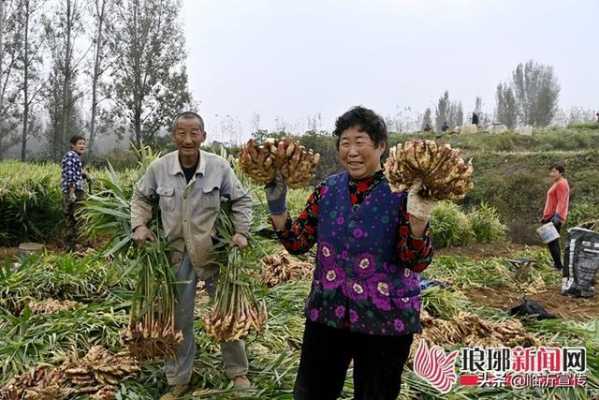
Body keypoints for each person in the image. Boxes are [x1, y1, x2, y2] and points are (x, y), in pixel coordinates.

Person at [265, 106, 434, 400]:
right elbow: (297, 242)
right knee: (311, 393)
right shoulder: (327, 190)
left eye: (360, 141)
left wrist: (418, 221)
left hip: (385, 318)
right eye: (345, 143)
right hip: (328, 313)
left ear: (381, 146)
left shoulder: (404, 194)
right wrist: (277, 207)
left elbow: (415, 261)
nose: (352, 151)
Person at [130, 111, 254, 400]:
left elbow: (241, 199)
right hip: (176, 254)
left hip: (213, 251)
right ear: (174, 136)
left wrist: (241, 232)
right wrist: (139, 225)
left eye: (194, 133)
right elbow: (140, 197)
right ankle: (178, 378)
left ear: (203, 136)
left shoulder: (219, 167)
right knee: (179, 318)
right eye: (181, 133)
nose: (187, 139)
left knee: (226, 312)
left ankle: (237, 370)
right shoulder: (159, 168)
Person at [540, 162, 570, 271]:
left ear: (560, 172)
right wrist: (546, 216)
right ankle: (558, 265)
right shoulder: (557, 183)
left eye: (554, 171)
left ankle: (559, 266)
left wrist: (557, 217)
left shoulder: (561, 183)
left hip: (555, 217)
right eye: (551, 171)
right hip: (550, 216)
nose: (551, 174)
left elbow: (562, 202)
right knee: (552, 241)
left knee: (552, 241)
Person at [61, 135, 88, 251]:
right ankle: (77, 245)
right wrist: (72, 192)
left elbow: (74, 172)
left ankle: (70, 246)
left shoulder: (73, 156)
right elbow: (70, 175)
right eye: (80, 143)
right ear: (73, 145)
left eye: (83, 143)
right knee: (78, 217)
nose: (82, 146)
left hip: (74, 190)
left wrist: (84, 174)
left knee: (71, 218)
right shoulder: (72, 156)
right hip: (74, 191)